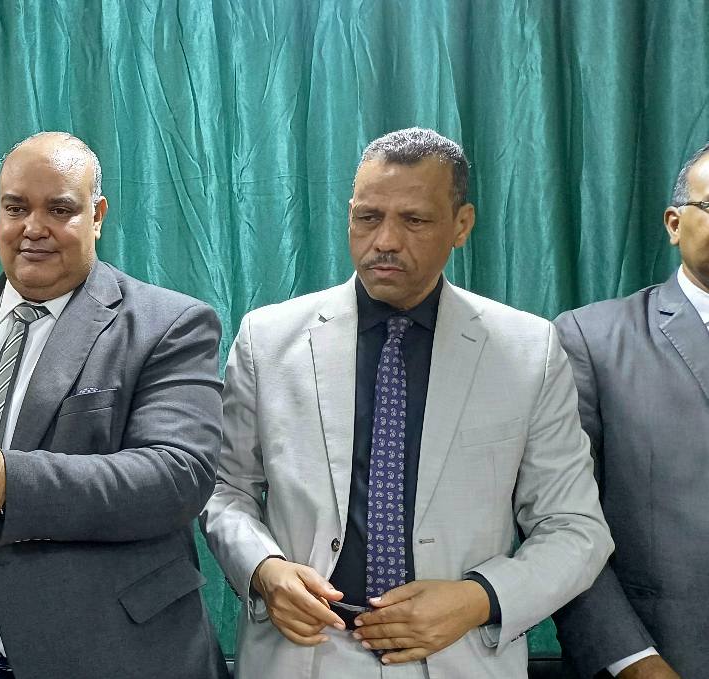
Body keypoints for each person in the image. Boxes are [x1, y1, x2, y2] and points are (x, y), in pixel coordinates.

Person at [202, 127, 612, 678]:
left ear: (461, 225)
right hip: (303, 654)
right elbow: (224, 489)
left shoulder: (527, 351)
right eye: (368, 217)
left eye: (414, 220)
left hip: (459, 655)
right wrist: (263, 569)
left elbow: (575, 527)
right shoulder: (268, 340)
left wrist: (480, 598)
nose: (386, 241)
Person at [0, 131, 230, 679]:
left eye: (59, 209)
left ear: (98, 215)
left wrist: (8, 484)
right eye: (16, 208)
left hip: (104, 658)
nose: (33, 227)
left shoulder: (169, 325)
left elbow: (178, 475)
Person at [551, 142, 709, 679]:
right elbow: (560, 522)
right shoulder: (591, 339)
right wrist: (633, 662)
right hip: (664, 660)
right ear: (674, 223)